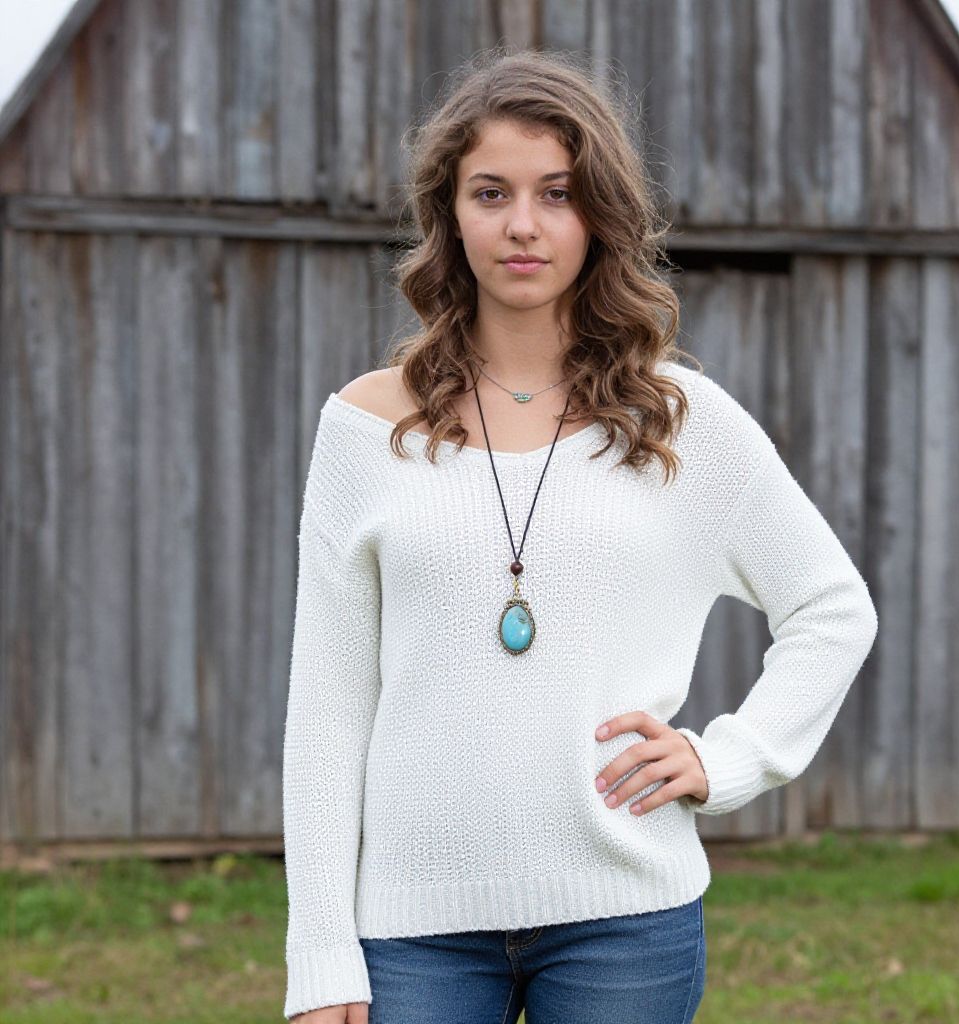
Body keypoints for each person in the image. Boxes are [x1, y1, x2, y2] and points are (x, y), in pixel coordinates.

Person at [281, 47, 878, 1024]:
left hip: (625, 922)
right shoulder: (363, 427)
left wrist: (728, 757)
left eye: (557, 194)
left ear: (598, 214)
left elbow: (832, 607)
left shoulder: (679, 421)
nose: (523, 224)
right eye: (491, 192)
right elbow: (327, 707)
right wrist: (318, 952)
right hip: (410, 930)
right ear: (449, 214)